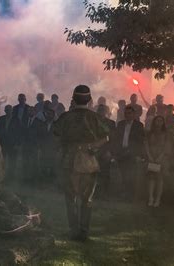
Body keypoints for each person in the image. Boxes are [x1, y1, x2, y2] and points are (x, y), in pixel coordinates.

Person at [53, 85, 109, 242]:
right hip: (89, 163)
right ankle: (84, 232)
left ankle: (74, 231)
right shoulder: (95, 117)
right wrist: (91, 147)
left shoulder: (65, 117)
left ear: (73, 99)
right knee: (87, 199)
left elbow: (55, 136)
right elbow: (106, 137)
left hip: (68, 162)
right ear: (90, 100)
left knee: (70, 199)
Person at [113, 106, 145, 201]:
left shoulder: (139, 125)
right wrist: (115, 152)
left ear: (134, 114)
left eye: (129, 113)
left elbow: (140, 141)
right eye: (126, 113)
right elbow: (117, 139)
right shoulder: (120, 124)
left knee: (131, 175)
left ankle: (130, 195)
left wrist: (137, 154)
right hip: (121, 152)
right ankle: (124, 193)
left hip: (132, 153)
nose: (127, 115)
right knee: (123, 174)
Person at [145, 116, 172, 207]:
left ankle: (157, 199)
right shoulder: (149, 133)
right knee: (151, 178)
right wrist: (149, 156)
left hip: (161, 159)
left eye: (161, 121)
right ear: (154, 122)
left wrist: (160, 157)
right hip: (151, 157)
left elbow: (166, 147)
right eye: (157, 120)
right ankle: (150, 198)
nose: (159, 122)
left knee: (160, 179)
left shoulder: (166, 134)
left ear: (163, 123)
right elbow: (146, 145)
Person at [31, 104, 57, 186]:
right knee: (43, 166)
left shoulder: (57, 125)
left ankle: (52, 185)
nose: (48, 115)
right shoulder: (41, 124)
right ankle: (44, 184)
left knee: (53, 167)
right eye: (47, 114)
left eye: (50, 114)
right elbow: (38, 136)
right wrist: (39, 145)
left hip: (53, 150)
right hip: (43, 149)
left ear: (53, 115)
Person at [95, 104, 116, 199]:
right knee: (94, 172)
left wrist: (109, 152)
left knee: (105, 172)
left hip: (105, 151)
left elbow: (112, 139)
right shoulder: (93, 122)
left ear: (106, 112)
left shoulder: (111, 123)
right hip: (94, 150)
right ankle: (95, 191)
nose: (101, 112)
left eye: (103, 111)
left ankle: (105, 193)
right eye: (100, 110)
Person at [0, 105, 15, 179]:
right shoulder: (1, 119)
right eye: (7, 110)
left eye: (9, 110)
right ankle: (3, 175)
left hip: (12, 143)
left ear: (12, 111)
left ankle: (11, 175)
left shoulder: (16, 119)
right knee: (3, 159)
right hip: (3, 142)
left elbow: (18, 132)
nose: (8, 111)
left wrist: (17, 143)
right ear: (5, 111)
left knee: (12, 160)